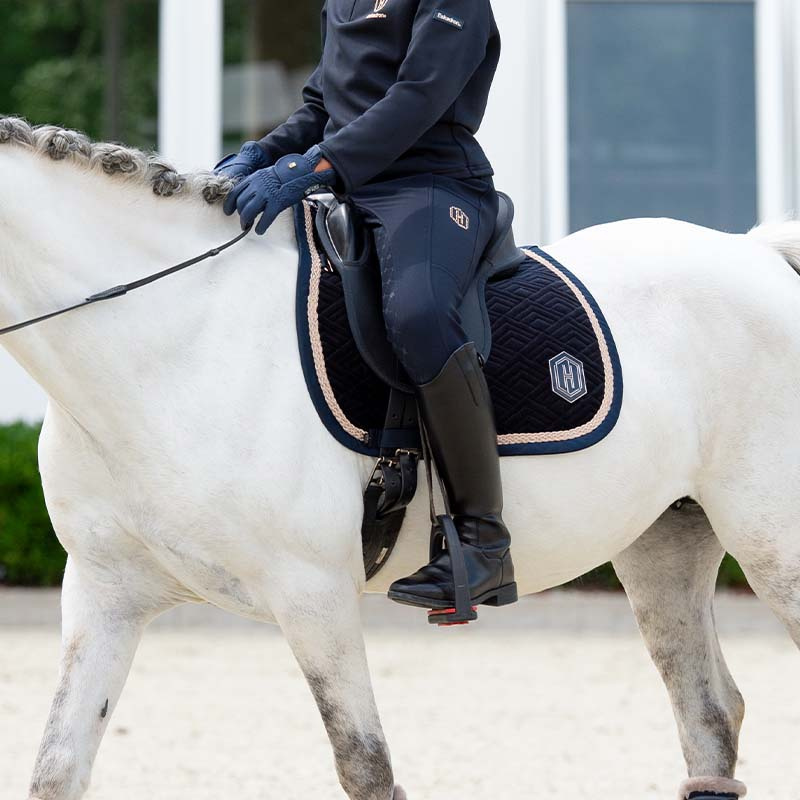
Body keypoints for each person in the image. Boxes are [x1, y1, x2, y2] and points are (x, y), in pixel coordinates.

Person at [217, 0, 517, 616]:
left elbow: (419, 95)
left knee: (419, 314)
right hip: (352, 188)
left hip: (433, 186)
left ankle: (483, 541)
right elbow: (323, 108)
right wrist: (260, 152)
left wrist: (313, 166)